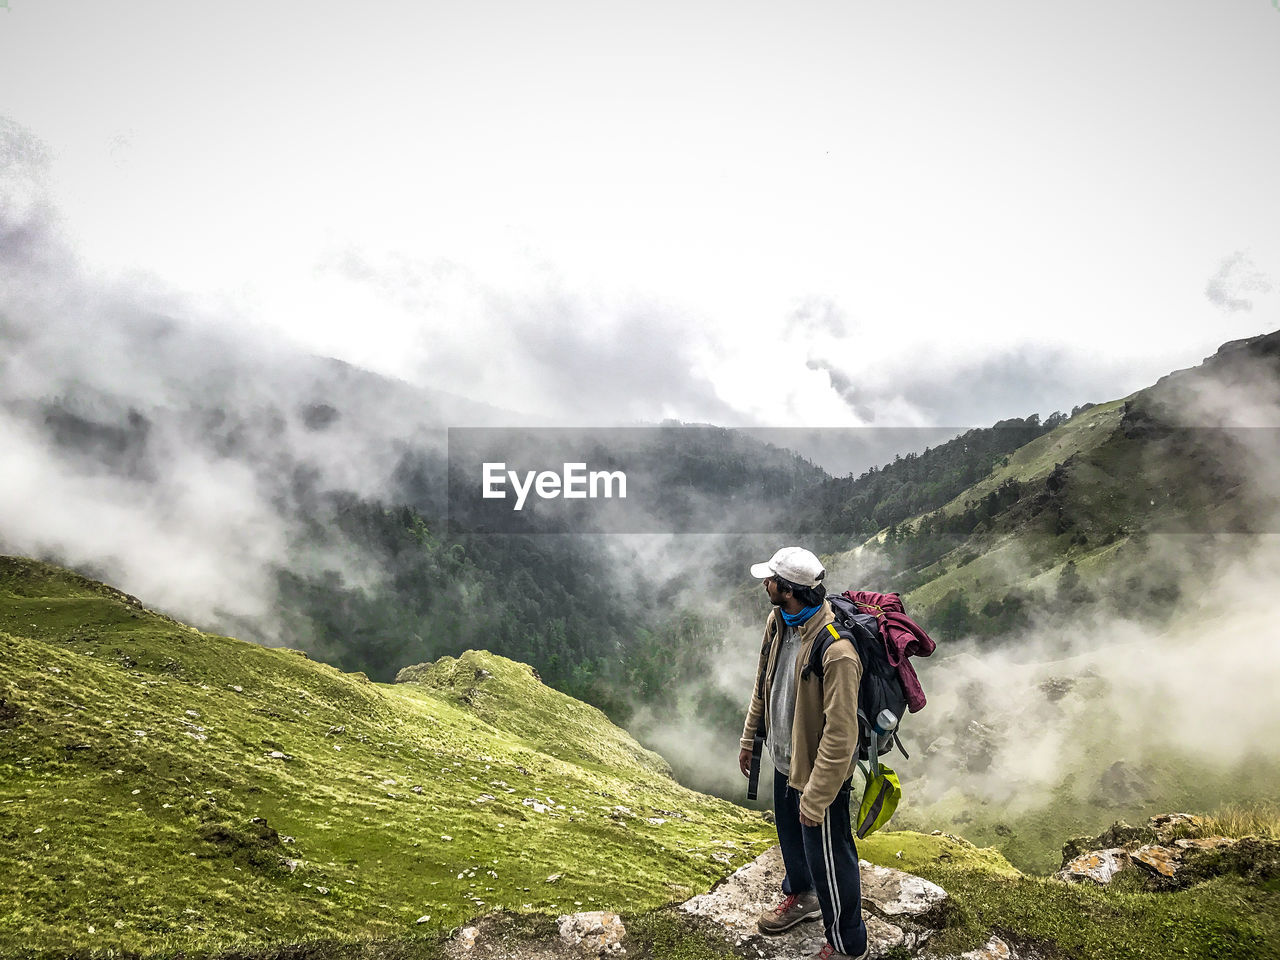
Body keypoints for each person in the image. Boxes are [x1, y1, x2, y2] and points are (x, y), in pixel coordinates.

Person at [738, 547, 869, 960]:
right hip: (784, 758)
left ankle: (848, 944)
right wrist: (750, 738)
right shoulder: (780, 621)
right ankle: (801, 895)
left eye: (771, 580)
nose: (765, 584)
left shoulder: (836, 651)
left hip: (817, 774)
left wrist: (816, 797)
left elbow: (842, 735)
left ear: (789, 590)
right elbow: (764, 680)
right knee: (791, 838)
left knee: (830, 855)